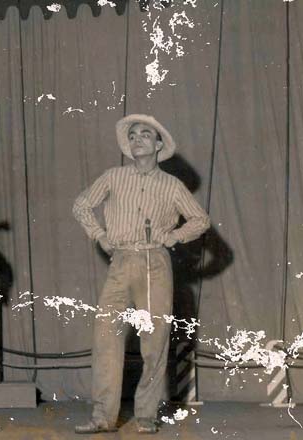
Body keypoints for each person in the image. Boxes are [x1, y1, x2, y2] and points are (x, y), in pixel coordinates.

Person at [72, 115, 210, 434]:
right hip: (121, 261)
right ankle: (102, 417)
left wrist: (173, 237)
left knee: (154, 341)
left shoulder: (172, 185)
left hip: (155, 264)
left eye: (145, 134)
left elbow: (200, 220)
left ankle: (146, 414)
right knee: (106, 337)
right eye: (132, 135)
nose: (137, 139)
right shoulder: (113, 176)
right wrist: (100, 236)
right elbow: (81, 205)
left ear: (158, 145)